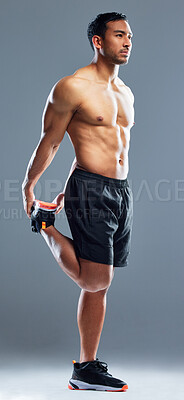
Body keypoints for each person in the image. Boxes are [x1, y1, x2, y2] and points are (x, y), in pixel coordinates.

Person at [22, 12, 134, 392]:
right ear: (98, 42)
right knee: (96, 277)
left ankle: (85, 368)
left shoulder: (125, 92)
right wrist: (28, 186)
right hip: (89, 187)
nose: (128, 42)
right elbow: (50, 140)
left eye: (130, 36)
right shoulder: (71, 87)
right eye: (119, 35)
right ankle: (46, 224)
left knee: (101, 286)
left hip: (121, 191)